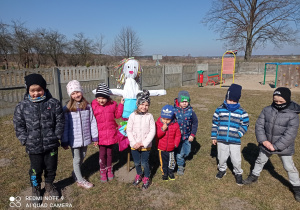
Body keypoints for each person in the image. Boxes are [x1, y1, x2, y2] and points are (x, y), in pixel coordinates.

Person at [13, 73, 64, 202]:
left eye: (39, 90)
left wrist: (57, 135)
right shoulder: (22, 106)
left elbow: (60, 120)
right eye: (32, 90)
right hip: (33, 146)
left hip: (51, 145)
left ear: (44, 89)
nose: (36, 93)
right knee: (35, 169)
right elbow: (19, 124)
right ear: (28, 90)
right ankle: (35, 188)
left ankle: (49, 185)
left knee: (51, 168)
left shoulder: (53, 103)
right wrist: (24, 139)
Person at [243, 87, 300, 201]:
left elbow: (290, 134)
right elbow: (259, 125)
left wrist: (276, 146)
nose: (278, 104)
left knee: (289, 167)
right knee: (260, 160)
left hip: (284, 147)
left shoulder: (293, 115)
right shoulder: (267, 110)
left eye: (281, 102)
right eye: (276, 101)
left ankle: (297, 187)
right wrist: (264, 141)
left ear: (287, 100)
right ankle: (254, 175)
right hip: (266, 143)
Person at [61, 80, 98, 189]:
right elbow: (65, 127)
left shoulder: (87, 106)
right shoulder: (67, 109)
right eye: (73, 93)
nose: (76, 95)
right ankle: (80, 180)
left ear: (81, 91)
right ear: (70, 95)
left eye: (77, 92)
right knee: (77, 159)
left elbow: (92, 121)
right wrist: (64, 141)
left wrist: (94, 137)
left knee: (82, 156)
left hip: (85, 138)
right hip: (74, 139)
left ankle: (75, 173)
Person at [211, 84, 249, 185]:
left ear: (237, 100)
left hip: (235, 141)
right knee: (222, 157)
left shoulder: (241, 112)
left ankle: (238, 173)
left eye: (234, 101)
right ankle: (222, 169)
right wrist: (214, 136)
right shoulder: (219, 109)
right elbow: (215, 123)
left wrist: (239, 133)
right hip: (222, 139)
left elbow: (245, 123)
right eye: (229, 100)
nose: (231, 103)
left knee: (236, 159)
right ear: (226, 97)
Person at [91, 83, 124, 183]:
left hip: (110, 134)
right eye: (99, 98)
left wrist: (121, 104)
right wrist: (94, 137)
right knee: (102, 154)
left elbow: (117, 115)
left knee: (109, 154)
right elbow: (91, 121)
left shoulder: (112, 105)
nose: (101, 100)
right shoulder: (94, 106)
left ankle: (109, 169)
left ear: (107, 98)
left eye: (103, 98)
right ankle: (102, 171)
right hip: (100, 136)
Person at [127, 90, 156, 190]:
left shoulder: (150, 117)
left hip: (145, 146)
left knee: (144, 162)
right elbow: (129, 130)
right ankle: (139, 174)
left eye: (147, 105)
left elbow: (152, 131)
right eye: (142, 104)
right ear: (138, 104)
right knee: (136, 163)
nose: (144, 107)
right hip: (134, 145)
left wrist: (145, 143)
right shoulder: (132, 116)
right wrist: (134, 143)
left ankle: (147, 177)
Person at [174, 90, 198, 175]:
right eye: (182, 101)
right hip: (177, 137)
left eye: (186, 101)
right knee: (180, 153)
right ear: (179, 101)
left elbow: (195, 123)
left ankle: (178, 156)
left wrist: (192, 134)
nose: (184, 103)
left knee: (187, 152)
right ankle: (180, 166)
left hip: (187, 136)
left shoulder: (191, 111)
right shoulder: (174, 111)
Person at [156, 104, 181, 181]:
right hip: (161, 148)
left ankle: (170, 172)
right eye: (163, 118)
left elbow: (178, 135)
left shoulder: (175, 125)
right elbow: (157, 135)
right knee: (163, 162)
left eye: (168, 119)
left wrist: (176, 143)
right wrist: (162, 129)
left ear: (172, 118)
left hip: (171, 148)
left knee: (171, 162)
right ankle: (164, 173)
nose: (165, 121)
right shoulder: (158, 123)